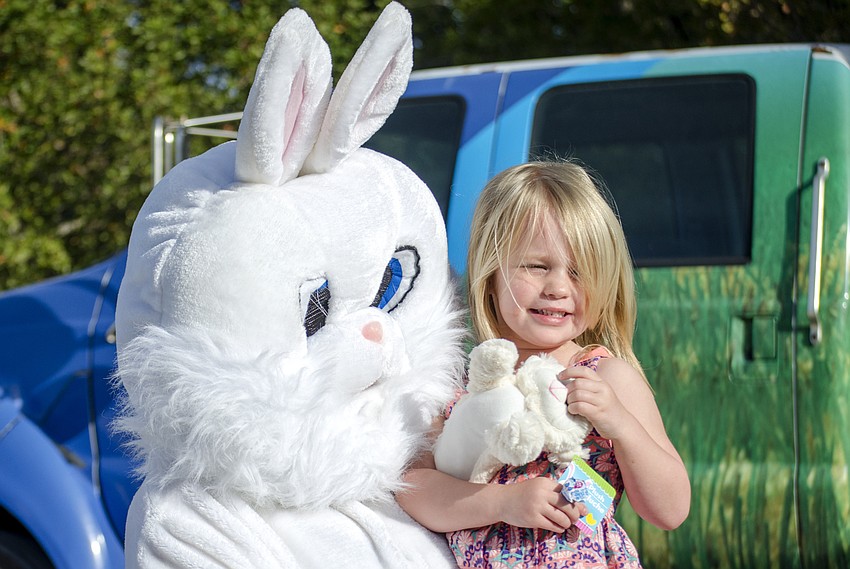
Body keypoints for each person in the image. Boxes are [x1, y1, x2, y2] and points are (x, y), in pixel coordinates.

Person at [396, 161, 690, 568]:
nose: (557, 288)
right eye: (536, 266)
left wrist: (621, 424)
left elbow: (670, 510)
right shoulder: (458, 384)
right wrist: (501, 502)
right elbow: (414, 488)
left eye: (579, 271)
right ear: (490, 272)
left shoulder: (607, 377)